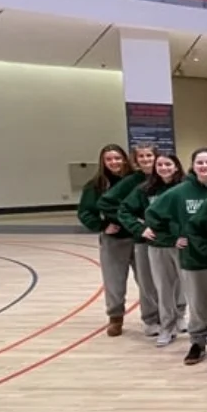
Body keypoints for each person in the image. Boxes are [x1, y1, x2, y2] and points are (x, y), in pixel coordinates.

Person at [144, 147, 207, 364]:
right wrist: (172, 237)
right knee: (198, 305)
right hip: (194, 258)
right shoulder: (180, 191)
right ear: (193, 166)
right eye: (200, 163)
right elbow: (153, 214)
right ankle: (198, 342)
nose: (205, 167)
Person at [98, 144, 163, 338]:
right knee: (120, 280)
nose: (145, 159)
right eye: (141, 156)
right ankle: (119, 317)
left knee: (154, 282)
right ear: (135, 160)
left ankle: (164, 316)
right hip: (133, 238)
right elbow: (105, 203)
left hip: (160, 240)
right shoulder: (131, 181)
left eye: (149, 155)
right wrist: (131, 222)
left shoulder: (165, 178)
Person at [123, 153, 186, 349]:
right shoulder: (144, 190)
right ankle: (166, 326)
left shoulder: (185, 188)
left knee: (188, 287)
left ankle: (184, 319)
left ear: (176, 167)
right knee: (163, 286)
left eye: (168, 164)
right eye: (160, 164)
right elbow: (124, 211)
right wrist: (140, 229)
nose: (164, 168)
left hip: (182, 244)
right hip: (157, 245)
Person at [77, 143, 133, 336]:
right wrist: (102, 226)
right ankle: (115, 317)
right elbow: (85, 212)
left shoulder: (135, 181)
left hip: (140, 238)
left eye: (117, 158)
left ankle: (154, 317)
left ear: (125, 159)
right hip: (114, 239)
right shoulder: (95, 185)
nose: (114, 162)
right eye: (109, 159)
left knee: (148, 282)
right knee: (114, 281)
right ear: (102, 162)